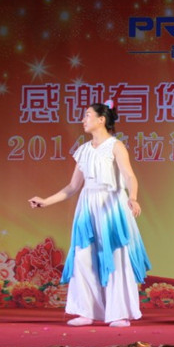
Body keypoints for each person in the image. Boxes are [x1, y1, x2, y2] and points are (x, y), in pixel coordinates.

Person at [29, 100, 150, 327]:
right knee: (83, 256)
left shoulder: (115, 146)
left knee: (116, 256)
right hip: (87, 205)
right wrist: (46, 201)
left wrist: (133, 197)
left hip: (111, 204)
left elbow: (129, 175)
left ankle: (119, 312)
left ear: (101, 120)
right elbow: (72, 187)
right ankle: (87, 311)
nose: (83, 120)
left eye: (87, 115)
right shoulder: (83, 150)